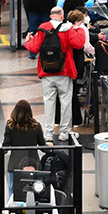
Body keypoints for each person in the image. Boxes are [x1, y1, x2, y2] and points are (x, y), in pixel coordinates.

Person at [24, 7, 87, 140]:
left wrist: (27, 41)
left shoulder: (42, 28)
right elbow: (79, 44)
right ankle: (64, 132)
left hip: (46, 71)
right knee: (65, 102)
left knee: (49, 102)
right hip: (64, 71)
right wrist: (79, 28)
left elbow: (34, 48)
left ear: (50, 15)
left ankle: (48, 133)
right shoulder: (67, 28)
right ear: (62, 15)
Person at [3, 99, 47, 175]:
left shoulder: (10, 126)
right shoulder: (36, 126)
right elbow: (43, 147)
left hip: (15, 165)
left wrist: (0, 148)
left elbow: (6, 146)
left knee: (13, 186)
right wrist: (51, 148)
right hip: (33, 164)